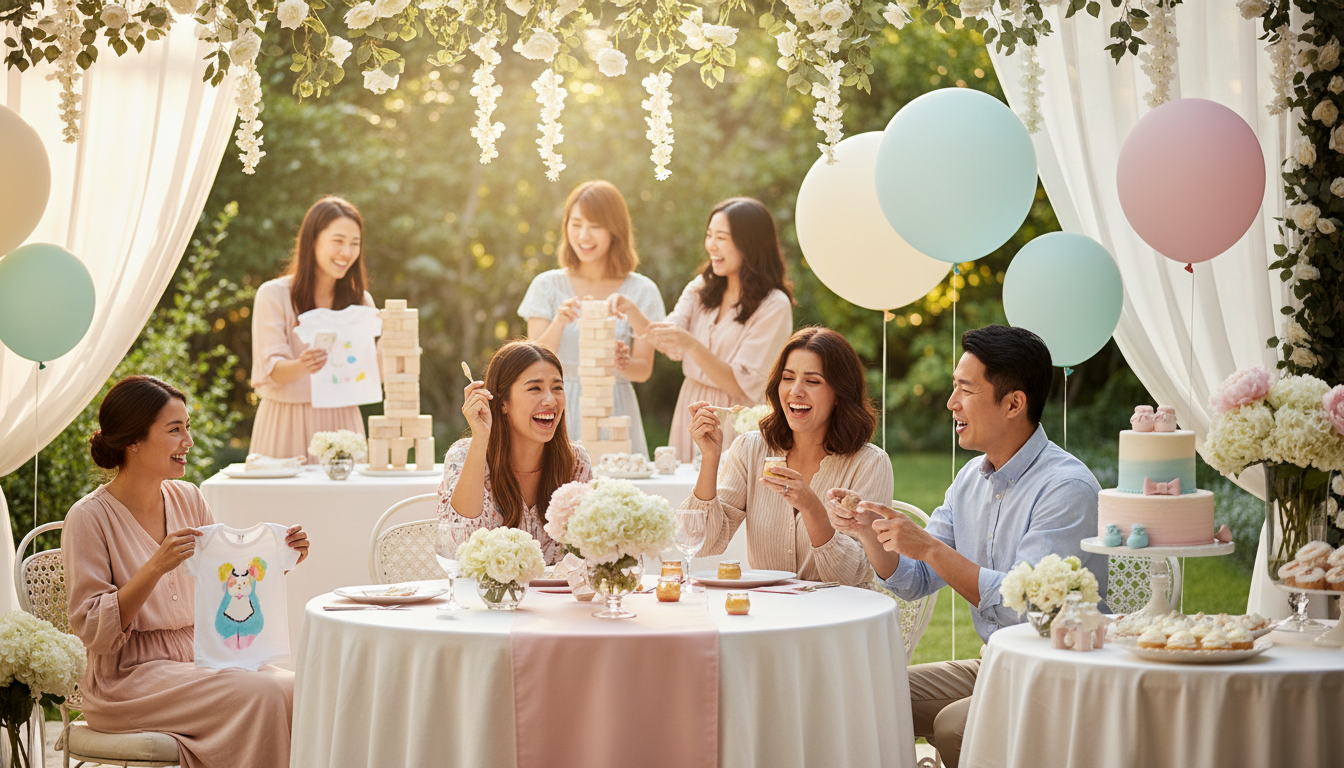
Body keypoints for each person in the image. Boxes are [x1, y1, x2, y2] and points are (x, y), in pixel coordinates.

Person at [827, 325, 1106, 768]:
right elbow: (914, 580)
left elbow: (1027, 608)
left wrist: (931, 549)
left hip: (1060, 673)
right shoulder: (970, 479)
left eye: (964, 390)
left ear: (1014, 403)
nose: (951, 403)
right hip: (996, 664)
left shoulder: (1066, 488)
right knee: (863, 692)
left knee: (954, 725)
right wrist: (868, 532)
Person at [63, 376, 310, 768]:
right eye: (174, 430)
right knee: (261, 695)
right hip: (127, 680)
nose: (188, 442)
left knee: (299, 689)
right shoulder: (88, 517)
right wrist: (156, 566)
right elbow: (94, 631)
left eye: (187, 428)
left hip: (200, 656)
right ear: (133, 441)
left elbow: (220, 591)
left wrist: (281, 562)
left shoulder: (189, 497)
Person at [678, 327, 892, 586]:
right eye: (788, 378)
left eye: (812, 381)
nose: (796, 391)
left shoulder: (870, 463)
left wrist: (812, 508)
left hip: (838, 614)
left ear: (839, 394)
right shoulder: (749, 449)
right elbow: (700, 543)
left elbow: (852, 575)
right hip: (769, 612)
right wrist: (710, 458)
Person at [619, 197, 794, 463]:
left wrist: (691, 344)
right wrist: (632, 311)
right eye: (709, 235)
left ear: (749, 243)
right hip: (691, 405)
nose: (711, 245)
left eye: (721, 237)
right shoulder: (702, 286)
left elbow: (739, 382)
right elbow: (668, 338)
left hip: (735, 416)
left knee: (730, 495)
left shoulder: (773, 305)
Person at [519, 180, 665, 457]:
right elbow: (530, 364)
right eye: (576, 224)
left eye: (595, 225)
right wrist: (559, 321)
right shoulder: (547, 285)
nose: (583, 235)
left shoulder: (642, 290)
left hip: (614, 407)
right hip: (556, 406)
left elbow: (643, 369)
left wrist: (622, 363)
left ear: (615, 230)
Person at [438, 341, 592, 564]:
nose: (551, 400)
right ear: (502, 403)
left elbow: (590, 555)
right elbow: (459, 547)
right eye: (534, 388)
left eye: (557, 388)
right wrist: (481, 437)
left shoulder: (576, 462)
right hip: (485, 598)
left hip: (560, 599)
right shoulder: (463, 455)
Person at [250, 196, 376, 463]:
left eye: (355, 243)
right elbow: (272, 370)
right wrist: (304, 365)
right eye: (338, 241)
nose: (347, 252)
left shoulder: (361, 302)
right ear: (312, 241)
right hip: (285, 420)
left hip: (344, 423)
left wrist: (398, 338)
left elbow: (372, 373)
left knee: (348, 504)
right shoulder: (273, 295)